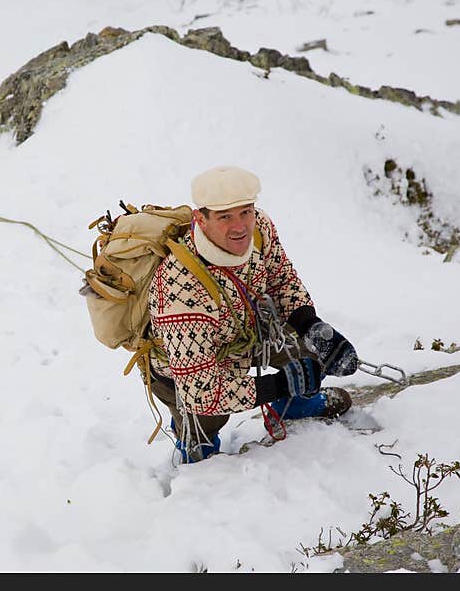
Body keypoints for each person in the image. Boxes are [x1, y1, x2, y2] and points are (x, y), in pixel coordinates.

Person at [147, 165, 358, 463]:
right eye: (224, 216)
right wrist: (279, 385)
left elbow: (281, 279)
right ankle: (195, 443)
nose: (240, 226)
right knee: (206, 415)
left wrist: (310, 324)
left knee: (309, 350)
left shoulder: (259, 227)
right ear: (201, 219)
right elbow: (202, 390)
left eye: (245, 211)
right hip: (190, 370)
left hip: (246, 332)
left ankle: (295, 405)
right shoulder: (180, 287)